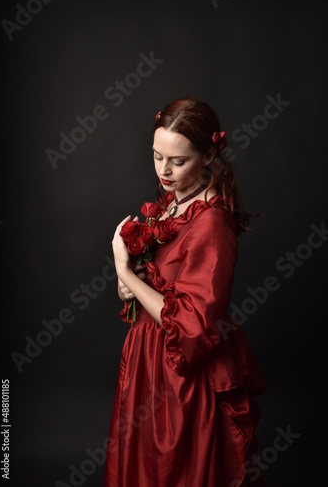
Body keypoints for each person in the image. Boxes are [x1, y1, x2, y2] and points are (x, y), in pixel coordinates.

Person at [104, 97, 267, 487]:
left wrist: (126, 269)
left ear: (209, 153)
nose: (165, 170)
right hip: (148, 361)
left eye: (178, 161)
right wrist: (130, 285)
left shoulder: (212, 223)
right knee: (144, 468)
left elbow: (193, 324)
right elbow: (156, 289)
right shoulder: (173, 204)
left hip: (182, 374)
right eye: (158, 156)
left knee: (177, 471)